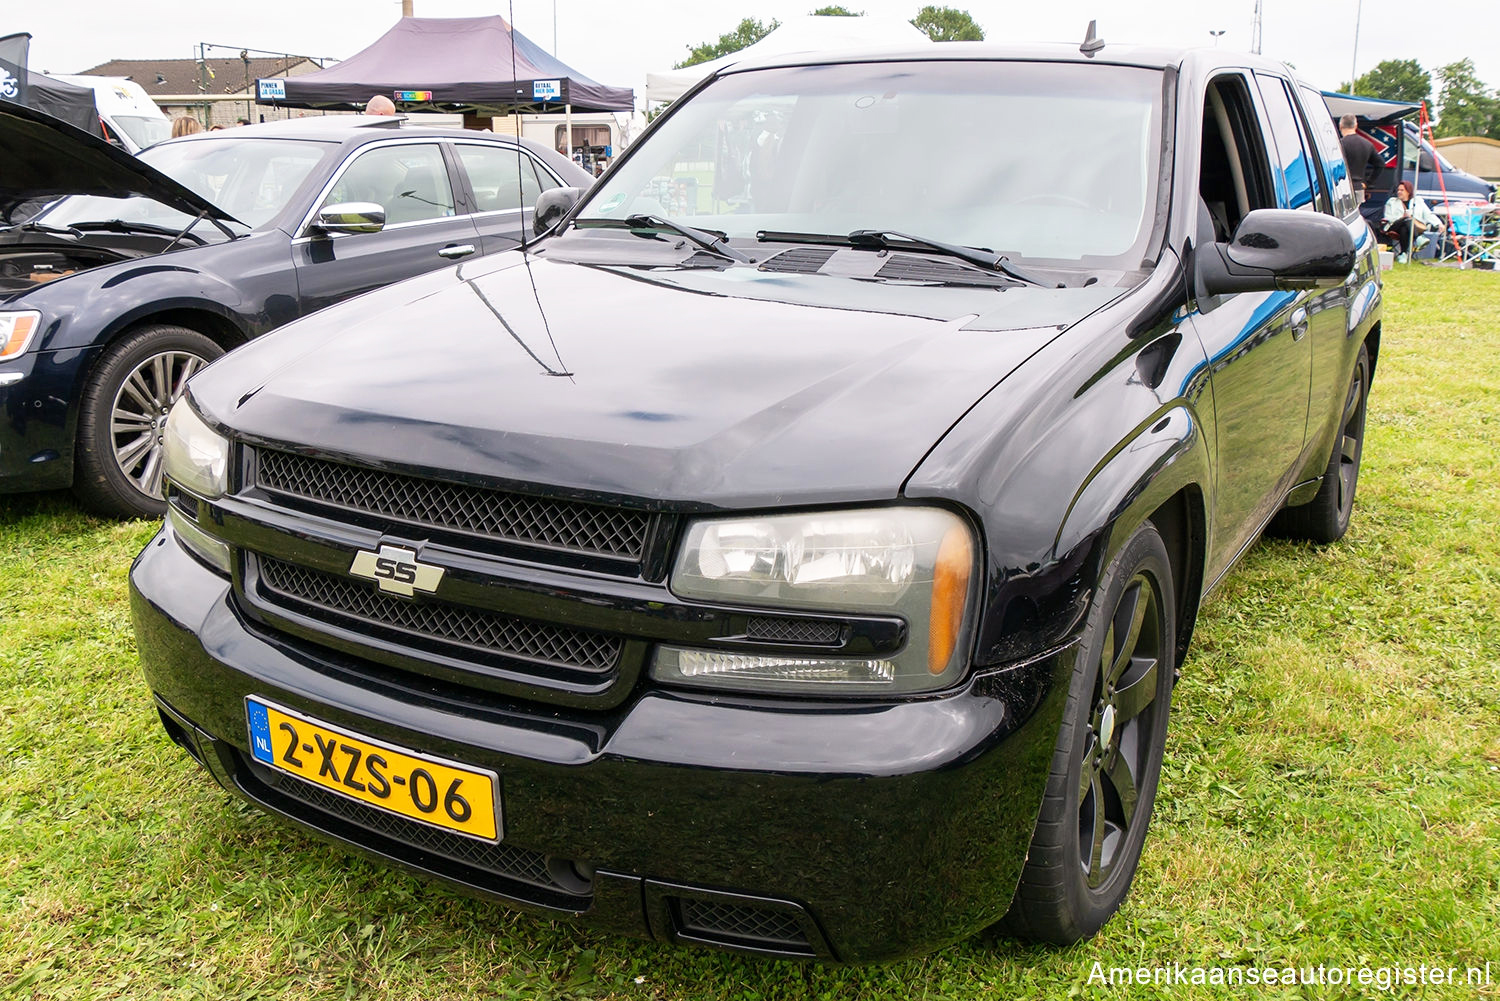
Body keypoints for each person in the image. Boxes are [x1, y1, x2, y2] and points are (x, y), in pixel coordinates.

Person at [1383, 180, 1441, 262]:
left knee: (1405, 228)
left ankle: (1403, 254)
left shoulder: (1418, 201)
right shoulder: (1392, 202)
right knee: (1407, 220)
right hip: (1394, 226)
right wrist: (1402, 217)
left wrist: (1439, 224)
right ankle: (1418, 238)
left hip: (1413, 227)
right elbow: (1388, 217)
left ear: (1408, 191)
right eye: (1398, 190)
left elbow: (1427, 213)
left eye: (1402, 190)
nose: (1399, 192)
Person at [1338, 114, 1377, 204]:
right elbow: (1380, 164)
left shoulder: (1339, 145)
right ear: (1356, 126)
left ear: (1340, 126)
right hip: (1358, 187)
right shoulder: (1367, 144)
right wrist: (1368, 183)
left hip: (1342, 189)